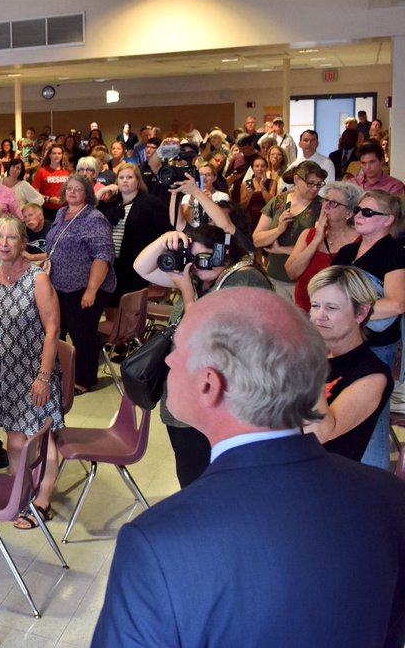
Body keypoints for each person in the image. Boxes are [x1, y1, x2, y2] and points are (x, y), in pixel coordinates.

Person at [92, 287, 405, 648]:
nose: (167, 361)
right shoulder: (390, 496)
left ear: (209, 384)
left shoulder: (156, 543)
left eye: (176, 350)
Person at [135, 225, 272, 487]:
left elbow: (204, 337)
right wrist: (165, 239)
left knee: (202, 480)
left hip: (215, 405)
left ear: (223, 253)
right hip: (190, 399)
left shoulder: (243, 280)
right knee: (191, 473)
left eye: (203, 257)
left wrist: (187, 291)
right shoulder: (204, 276)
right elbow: (141, 267)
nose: (196, 265)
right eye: (191, 258)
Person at [0, 216, 61, 523]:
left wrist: (44, 377)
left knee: (41, 438)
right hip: (4, 372)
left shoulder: (38, 280)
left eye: (11, 237)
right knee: (14, 439)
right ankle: (21, 494)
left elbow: (53, 330)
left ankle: (44, 498)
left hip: (36, 370)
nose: (4, 243)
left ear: (24, 242)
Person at [332, 190, 405, 470]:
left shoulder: (393, 253)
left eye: (368, 212)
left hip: (376, 347)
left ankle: (375, 486)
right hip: (342, 347)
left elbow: (397, 304)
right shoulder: (348, 251)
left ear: (388, 220)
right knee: (342, 418)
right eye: (358, 210)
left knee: (372, 425)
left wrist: (348, 309)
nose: (359, 215)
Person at [305, 266, 392, 461]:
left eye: (331, 308)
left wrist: (307, 366)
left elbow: (318, 435)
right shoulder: (313, 354)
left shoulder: (372, 375)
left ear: (361, 313)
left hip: (326, 473)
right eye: (315, 305)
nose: (319, 316)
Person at [45, 174, 115, 395]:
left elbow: (103, 256)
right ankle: (60, 372)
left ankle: (84, 380)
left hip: (85, 287)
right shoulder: (61, 213)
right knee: (56, 330)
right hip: (59, 286)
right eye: (69, 188)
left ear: (87, 193)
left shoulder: (94, 218)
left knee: (82, 334)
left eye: (78, 189)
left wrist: (91, 290)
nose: (72, 192)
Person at [97, 164, 169, 306]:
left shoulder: (151, 202)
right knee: (110, 304)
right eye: (121, 177)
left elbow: (165, 231)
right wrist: (102, 191)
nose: (125, 180)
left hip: (135, 265)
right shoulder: (111, 203)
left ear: (138, 181)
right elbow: (89, 211)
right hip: (110, 264)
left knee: (130, 307)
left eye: (129, 177)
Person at [285, 181, 362, 312]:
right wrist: (316, 241)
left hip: (338, 314)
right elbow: (291, 273)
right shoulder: (308, 234)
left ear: (349, 213)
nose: (326, 206)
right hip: (304, 312)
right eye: (325, 200)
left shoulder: (359, 241)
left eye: (333, 203)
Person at [253, 161, 325, 299]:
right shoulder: (278, 201)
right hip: (274, 277)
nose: (315, 189)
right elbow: (257, 240)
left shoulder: (321, 206)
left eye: (319, 184)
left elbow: (316, 247)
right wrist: (279, 230)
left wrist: (281, 249)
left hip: (305, 282)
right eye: (310, 183)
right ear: (297, 180)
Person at [34, 145, 70, 220]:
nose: (57, 156)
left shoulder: (68, 172)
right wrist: (49, 199)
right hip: (47, 210)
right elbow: (35, 193)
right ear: (49, 155)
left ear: (62, 156)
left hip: (65, 210)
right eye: (54, 153)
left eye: (59, 153)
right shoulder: (42, 171)